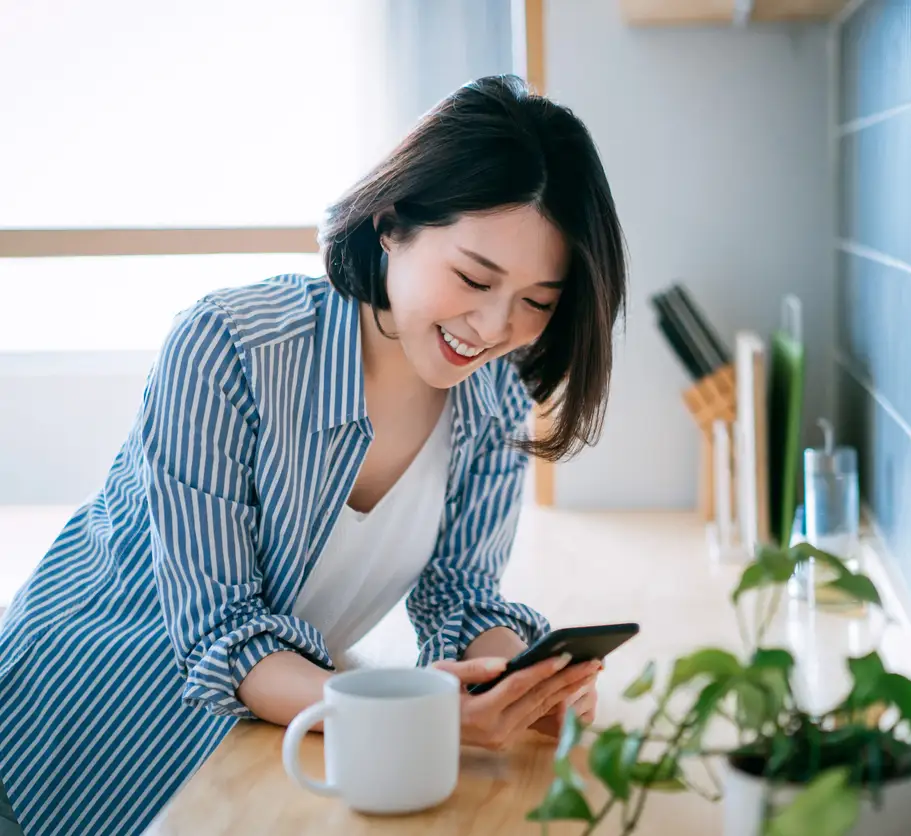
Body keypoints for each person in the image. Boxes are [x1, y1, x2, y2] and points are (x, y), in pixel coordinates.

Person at [0, 74, 627, 836]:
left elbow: (463, 597)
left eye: (537, 301)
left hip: (261, 734)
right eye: (473, 277)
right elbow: (222, 631)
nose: (494, 326)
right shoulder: (229, 348)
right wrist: (420, 716)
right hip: (68, 720)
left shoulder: (491, 400)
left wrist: (518, 685)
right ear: (392, 224)